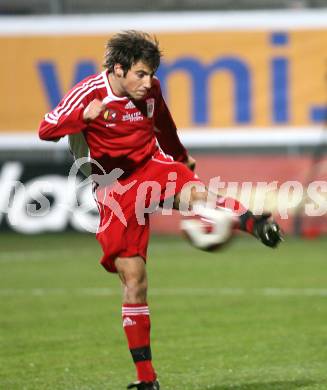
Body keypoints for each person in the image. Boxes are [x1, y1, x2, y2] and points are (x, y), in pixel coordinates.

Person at [38, 30, 282, 390]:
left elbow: (164, 123)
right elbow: (46, 129)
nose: (148, 81)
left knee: (193, 191)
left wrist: (181, 157)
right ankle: (147, 381)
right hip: (113, 188)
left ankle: (252, 222)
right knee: (134, 283)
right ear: (118, 69)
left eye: (151, 74)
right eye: (141, 73)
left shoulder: (150, 91)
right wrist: (82, 118)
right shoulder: (88, 93)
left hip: (151, 166)